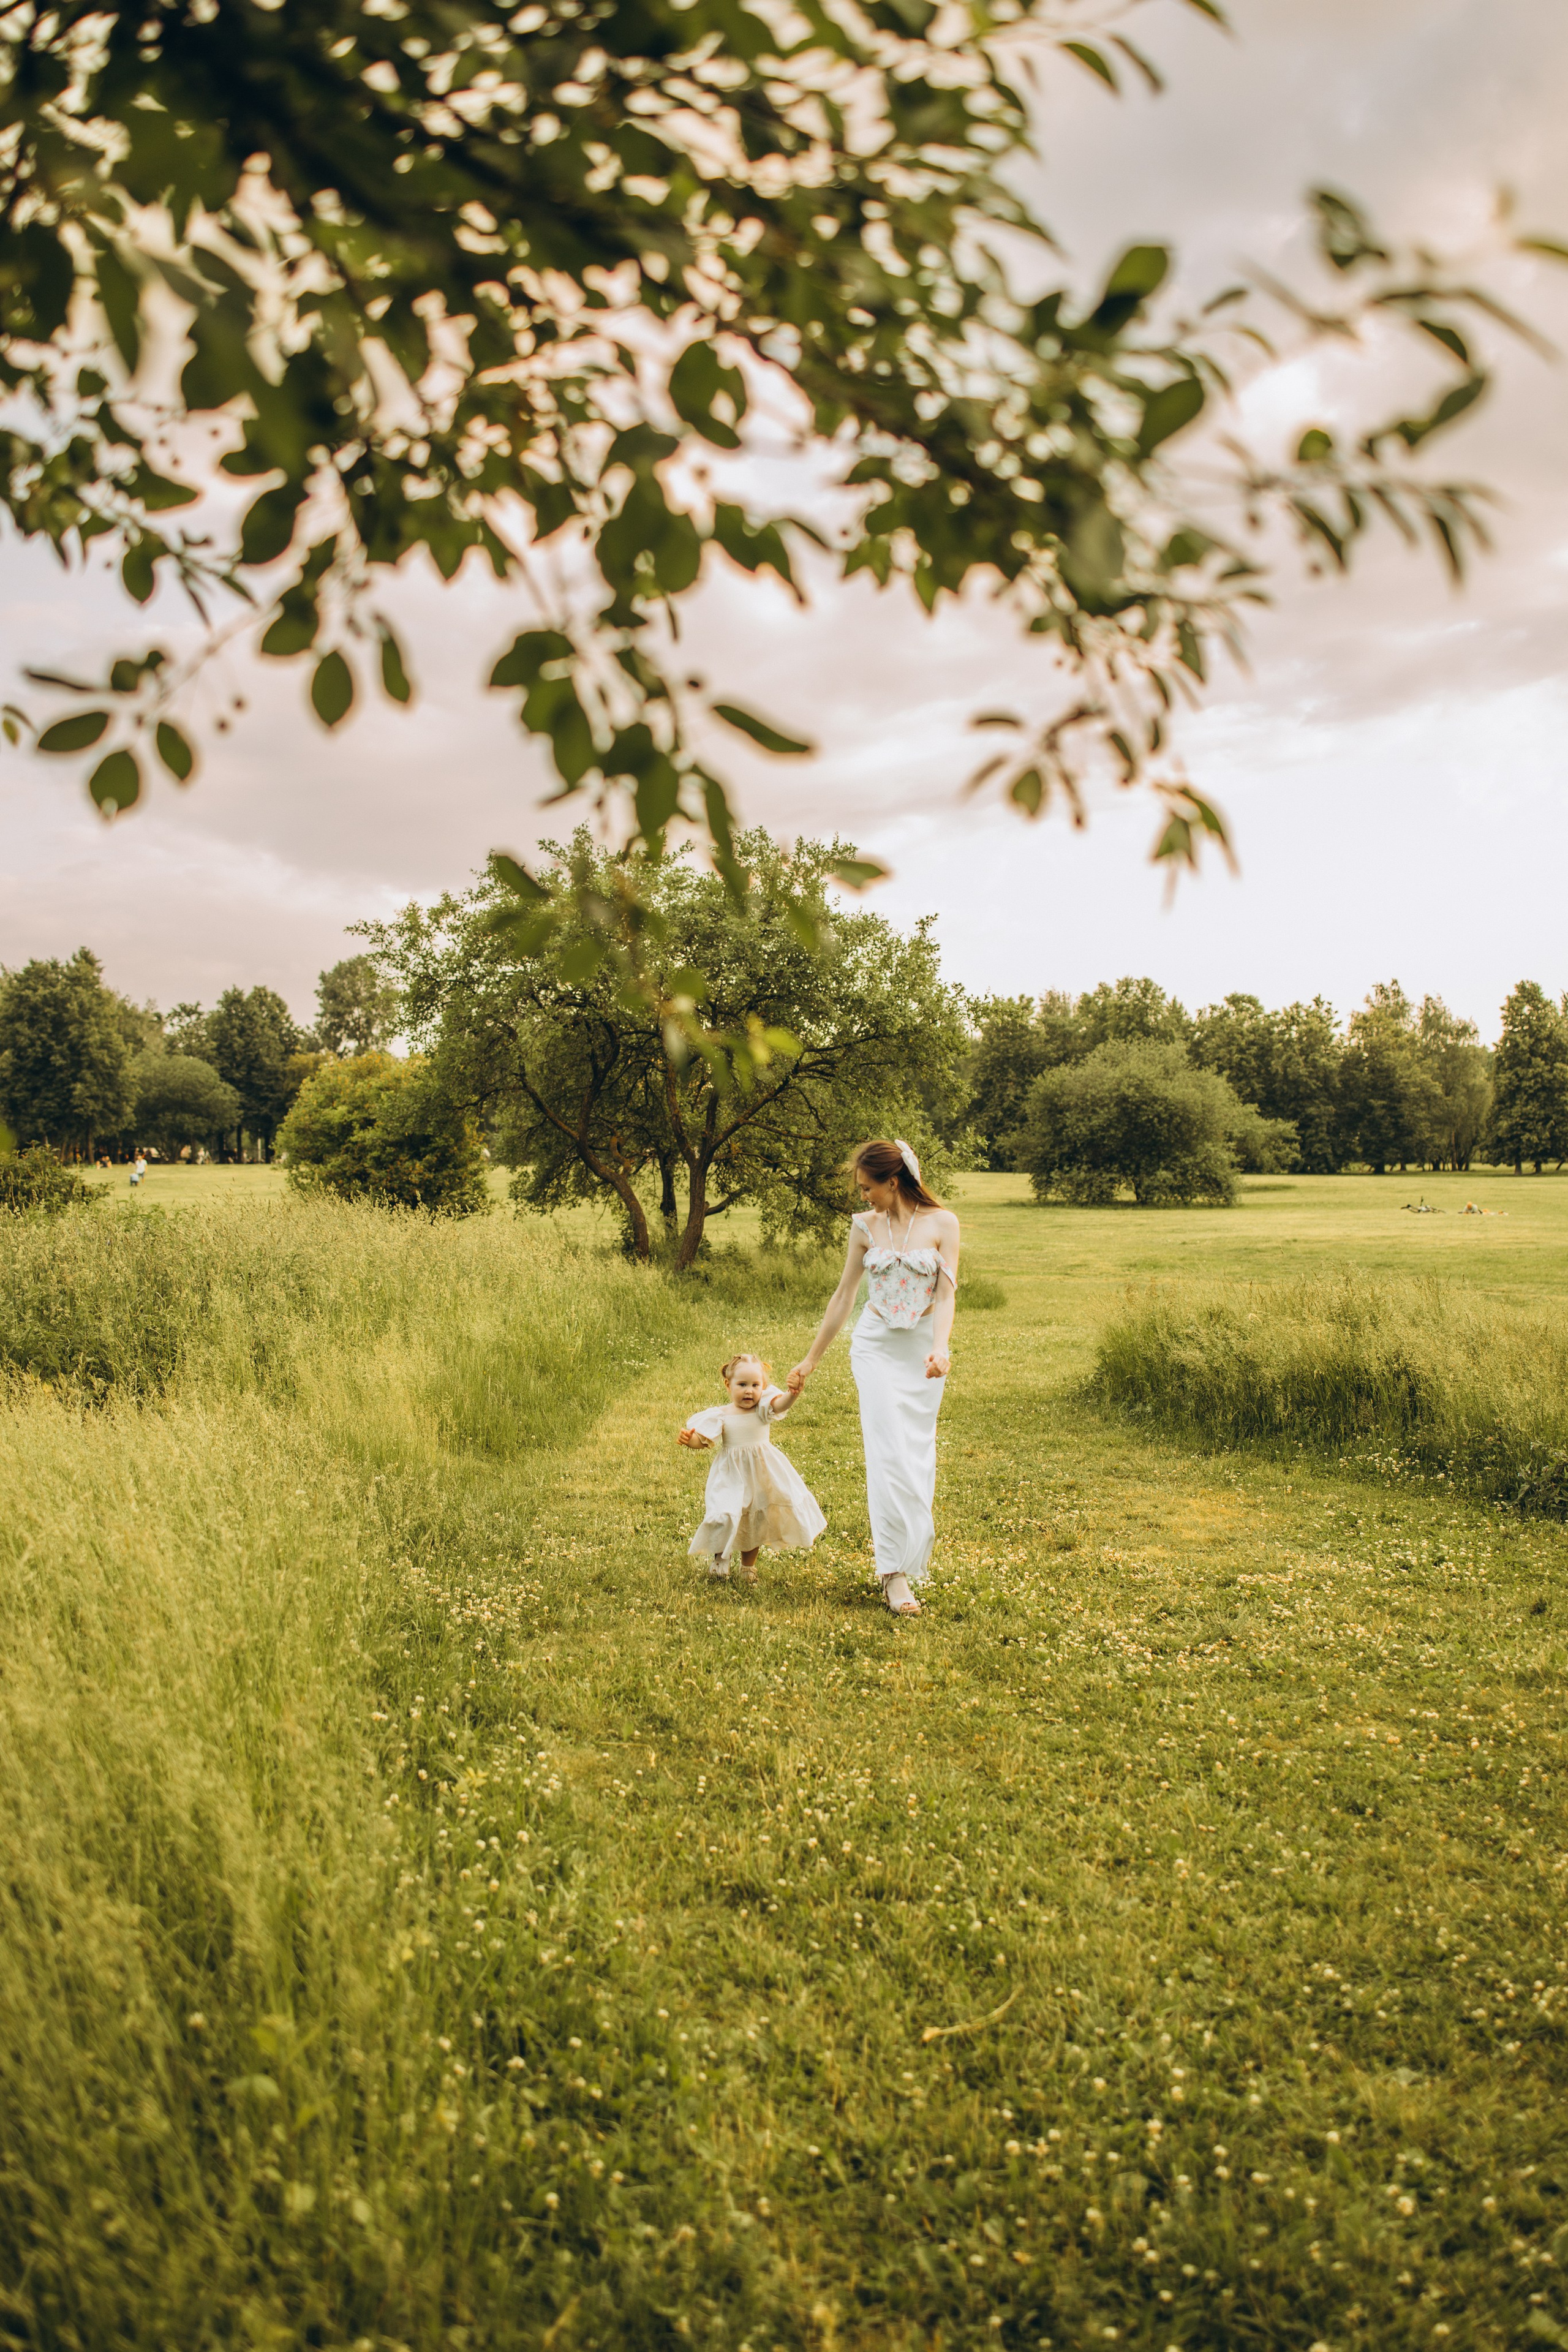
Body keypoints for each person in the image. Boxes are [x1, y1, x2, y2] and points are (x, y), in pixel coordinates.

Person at [788, 1138, 959, 1618]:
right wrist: (811, 1360)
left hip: (922, 1354)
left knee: (915, 1455)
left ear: (894, 1180)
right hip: (875, 1348)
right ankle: (893, 1575)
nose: (862, 1196)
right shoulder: (864, 1227)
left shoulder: (944, 1224)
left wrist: (940, 1348)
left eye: (868, 1187)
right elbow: (844, 1296)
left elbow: (946, 1297)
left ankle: (909, 1551)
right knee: (887, 1455)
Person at [678, 1352, 825, 1584]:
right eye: (742, 1385)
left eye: (755, 1385)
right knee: (725, 1515)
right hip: (731, 1475)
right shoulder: (722, 1415)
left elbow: (780, 1405)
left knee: (754, 1521)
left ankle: (748, 1568)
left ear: (764, 1386)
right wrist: (691, 1441)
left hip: (760, 1473)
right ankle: (721, 1559)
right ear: (728, 1385)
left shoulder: (762, 1408)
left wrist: (792, 1394)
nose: (749, 1391)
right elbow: (705, 1441)